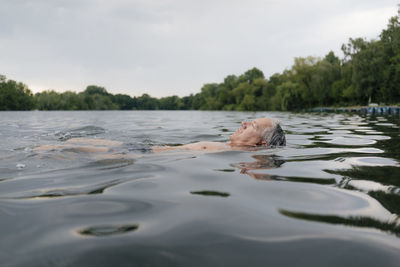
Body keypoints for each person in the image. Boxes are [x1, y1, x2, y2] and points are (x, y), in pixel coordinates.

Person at [34, 117, 285, 154]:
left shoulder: (232, 154)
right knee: (72, 143)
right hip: (141, 150)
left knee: (51, 151)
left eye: (251, 125)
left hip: (139, 156)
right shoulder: (229, 153)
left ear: (260, 143)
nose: (244, 122)